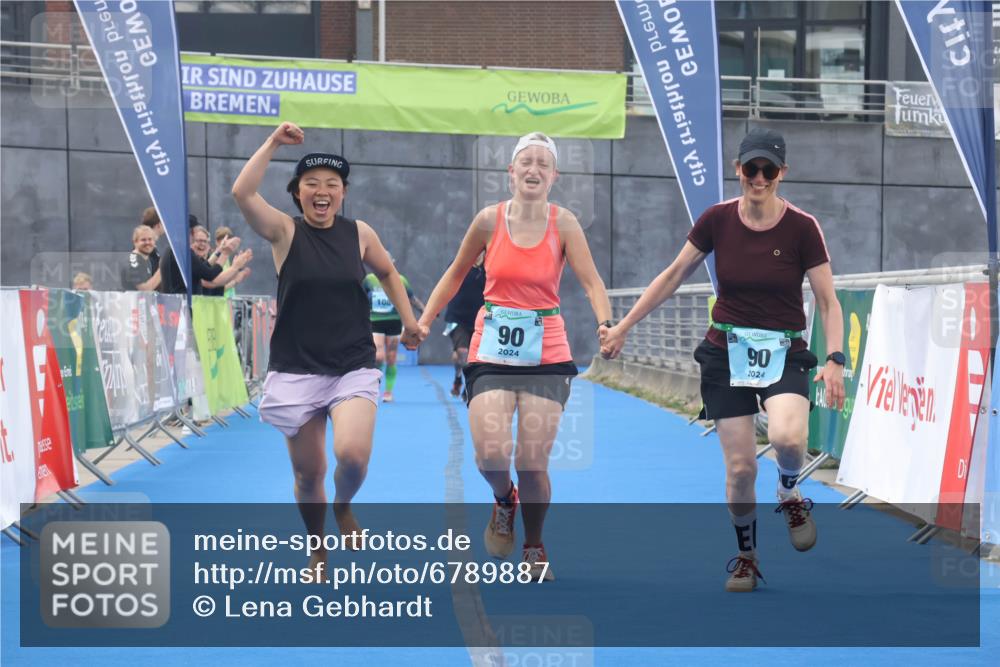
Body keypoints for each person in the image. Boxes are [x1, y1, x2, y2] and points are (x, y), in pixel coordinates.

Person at [600, 127, 846, 592]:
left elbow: (828, 302)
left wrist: (834, 358)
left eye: (767, 170)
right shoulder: (716, 220)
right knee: (739, 469)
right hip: (726, 351)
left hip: (785, 348)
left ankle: (789, 489)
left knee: (787, 438)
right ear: (738, 169)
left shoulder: (802, 227)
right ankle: (747, 556)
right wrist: (623, 327)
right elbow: (674, 274)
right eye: (750, 168)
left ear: (782, 174)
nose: (758, 177)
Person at [231, 121, 424, 577]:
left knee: (352, 456)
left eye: (332, 185)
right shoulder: (283, 231)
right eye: (311, 185)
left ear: (343, 193)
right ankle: (317, 547)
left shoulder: (359, 233)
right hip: (297, 367)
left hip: (351, 363)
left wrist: (409, 321)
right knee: (307, 473)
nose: (322, 191)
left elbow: (388, 273)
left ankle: (344, 506)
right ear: (297, 194)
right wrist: (274, 142)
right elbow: (242, 193)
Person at [418, 132, 612, 581]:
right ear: (510, 171)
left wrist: (605, 323)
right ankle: (504, 500)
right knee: (490, 453)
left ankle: (534, 543)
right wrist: (426, 320)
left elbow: (591, 281)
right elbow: (455, 272)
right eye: (526, 161)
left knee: (531, 461)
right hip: (492, 347)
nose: (534, 170)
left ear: (554, 176)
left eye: (544, 164)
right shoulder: (488, 220)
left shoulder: (564, 224)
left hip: (547, 348)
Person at [363, 263, 426, 402]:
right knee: (378, 357)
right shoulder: (369, 280)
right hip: (375, 321)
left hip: (394, 322)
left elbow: (411, 298)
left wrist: (425, 311)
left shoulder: (400, 280)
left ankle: (388, 392)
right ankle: (375, 386)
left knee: (391, 358)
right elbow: (359, 297)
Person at [158, 222, 250, 296]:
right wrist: (233, 265)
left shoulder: (177, 251)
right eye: (198, 240)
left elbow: (204, 268)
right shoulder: (182, 253)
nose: (202, 245)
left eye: (205, 241)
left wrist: (220, 252)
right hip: (181, 309)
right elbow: (210, 278)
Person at [442, 251, 486, 397]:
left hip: (480, 320)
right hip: (457, 318)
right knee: (462, 352)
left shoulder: (490, 266)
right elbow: (444, 286)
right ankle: (464, 381)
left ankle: (461, 380)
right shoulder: (458, 263)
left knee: (469, 357)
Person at [202, 227, 251, 298]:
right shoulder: (214, 259)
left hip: (228, 300)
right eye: (225, 241)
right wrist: (236, 280)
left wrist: (239, 270)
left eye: (230, 241)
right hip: (219, 301)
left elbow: (227, 278)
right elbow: (215, 286)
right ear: (217, 242)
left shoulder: (226, 258)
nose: (229, 244)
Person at [121, 225, 161, 291]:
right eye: (143, 240)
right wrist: (162, 269)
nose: (147, 242)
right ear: (135, 242)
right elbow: (144, 290)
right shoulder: (133, 262)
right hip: (132, 301)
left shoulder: (148, 260)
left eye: (150, 239)